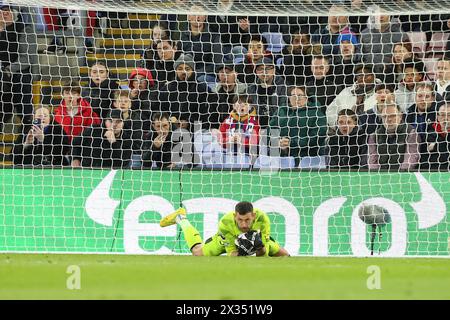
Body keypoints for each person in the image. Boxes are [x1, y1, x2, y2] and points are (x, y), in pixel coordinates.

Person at [159, 201, 290, 257]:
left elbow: (263, 256)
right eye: (240, 220)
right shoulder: (225, 223)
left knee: (285, 256)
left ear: (253, 216)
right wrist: (242, 252)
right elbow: (232, 255)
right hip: (228, 241)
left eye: (247, 220)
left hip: (256, 242)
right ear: (235, 216)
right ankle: (181, 218)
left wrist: (260, 248)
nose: (244, 225)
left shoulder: (263, 220)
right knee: (197, 252)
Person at [269, 85, 327, 166]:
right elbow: (270, 130)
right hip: (281, 158)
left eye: (300, 95)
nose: (296, 98)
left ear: (307, 98)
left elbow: (317, 137)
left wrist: (291, 143)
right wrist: (278, 142)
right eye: (293, 96)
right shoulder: (281, 111)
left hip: (308, 159)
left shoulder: (317, 114)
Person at [368, 102, 420, 170]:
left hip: (402, 177)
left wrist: (398, 177)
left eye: (393, 116)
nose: (389, 119)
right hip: (381, 177)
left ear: (400, 116)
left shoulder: (411, 133)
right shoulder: (373, 136)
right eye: (385, 116)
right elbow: (372, 162)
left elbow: (410, 160)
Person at [326, 64, 380, 128]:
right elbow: (331, 111)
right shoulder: (346, 92)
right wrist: (337, 126)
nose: (363, 77)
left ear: (374, 76)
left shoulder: (380, 93)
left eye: (367, 74)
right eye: (360, 75)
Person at [360, 13, 405, 79]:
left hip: (392, 74)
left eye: (384, 13)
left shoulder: (400, 34)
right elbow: (360, 55)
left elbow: (406, 54)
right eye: (378, 13)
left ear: (390, 15)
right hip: (368, 75)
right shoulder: (364, 34)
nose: (381, 16)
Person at [405, 83, 438, 167]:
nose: (423, 99)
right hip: (409, 152)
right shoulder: (407, 114)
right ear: (415, 97)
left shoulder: (438, 114)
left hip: (431, 155)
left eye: (427, 97)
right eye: (420, 96)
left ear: (433, 98)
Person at [247, 57, 287, 127]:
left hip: (277, 126)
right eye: (260, 69)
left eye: (268, 68)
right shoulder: (251, 89)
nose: (264, 72)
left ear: (274, 70)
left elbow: (283, 111)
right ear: (256, 72)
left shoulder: (283, 87)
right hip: (256, 127)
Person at [211, 62, 247, 129]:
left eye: (228, 73)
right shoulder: (214, 92)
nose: (225, 76)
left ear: (236, 74)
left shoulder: (244, 91)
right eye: (222, 73)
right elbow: (212, 115)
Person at [427, 100, 450, 169]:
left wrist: (435, 145)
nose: (446, 118)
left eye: (449, 115)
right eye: (442, 115)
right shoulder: (430, 133)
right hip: (434, 171)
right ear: (438, 117)